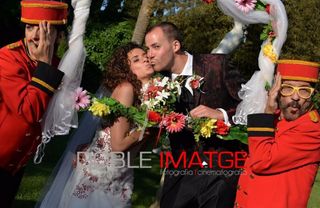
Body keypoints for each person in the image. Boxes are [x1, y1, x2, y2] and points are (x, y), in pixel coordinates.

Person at [38, 42, 154, 208]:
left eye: (145, 56)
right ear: (126, 71)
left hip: (120, 173)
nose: (146, 60)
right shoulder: (127, 89)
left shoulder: (147, 98)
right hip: (101, 177)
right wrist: (149, 128)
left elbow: (137, 148)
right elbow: (118, 145)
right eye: (137, 59)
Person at [145, 22, 246, 208]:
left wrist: (221, 114)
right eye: (147, 48)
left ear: (175, 46)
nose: (149, 54)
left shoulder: (217, 64)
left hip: (220, 174)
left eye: (155, 47)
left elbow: (249, 106)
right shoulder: (158, 84)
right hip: (180, 174)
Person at [0, 0, 67, 207]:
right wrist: (45, 64)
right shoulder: (8, 57)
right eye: (30, 27)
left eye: (45, 30)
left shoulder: (59, 65)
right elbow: (27, 110)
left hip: (17, 163)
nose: (35, 36)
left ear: (59, 35)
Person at [235, 59, 320, 208]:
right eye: (287, 88)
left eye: (304, 91)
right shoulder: (274, 120)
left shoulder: (312, 129)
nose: (295, 97)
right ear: (276, 91)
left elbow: (262, 161)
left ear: (313, 95)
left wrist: (267, 110)